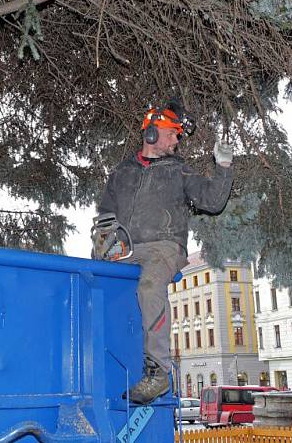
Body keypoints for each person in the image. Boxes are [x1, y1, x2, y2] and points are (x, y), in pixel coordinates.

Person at [97, 99, 234, 405]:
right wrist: (105, 240)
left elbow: (212, 201)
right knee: (93, 281)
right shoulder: (123, 171)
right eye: (173, 134)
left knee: (149, 287)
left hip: (164, 247)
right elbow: (106, 211)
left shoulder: (179, 171)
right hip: (123, 249)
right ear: (151, 133)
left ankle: (158, 372)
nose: (176, 141)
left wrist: (223, 167)